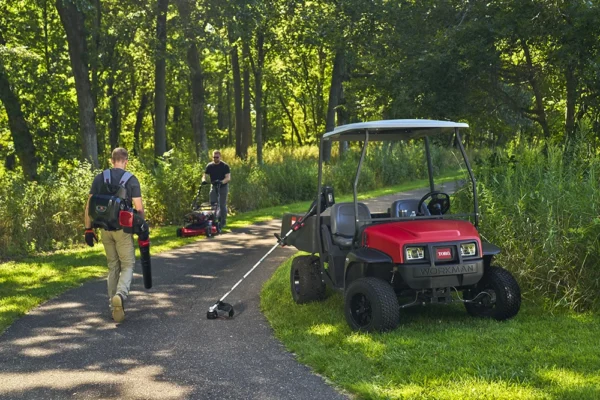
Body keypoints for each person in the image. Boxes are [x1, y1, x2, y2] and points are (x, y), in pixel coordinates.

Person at [84, 147, 145, 323]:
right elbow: (139, 208)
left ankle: (113, 307)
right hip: (123, 230)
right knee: (127, 265)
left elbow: (89, 205)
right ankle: (120, 294)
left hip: (104, 228)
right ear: (126, 161)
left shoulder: (100, 177)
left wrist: (88, 229)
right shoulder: (131, 180)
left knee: (113, 266)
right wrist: (141, 228)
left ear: (111, 160)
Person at [203, 150, 230, 227]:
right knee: (212, 204)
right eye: (214, 157)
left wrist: (221, 182)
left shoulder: (225, 166)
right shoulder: (209, 166)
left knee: (222, 204)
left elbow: (228, 178)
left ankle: (223, 221)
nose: (215, 159)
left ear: (220, 157)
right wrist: (204, 180)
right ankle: (213, 221)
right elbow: (204, 175)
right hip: (213, 186)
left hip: (223, 187)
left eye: (217, 157)